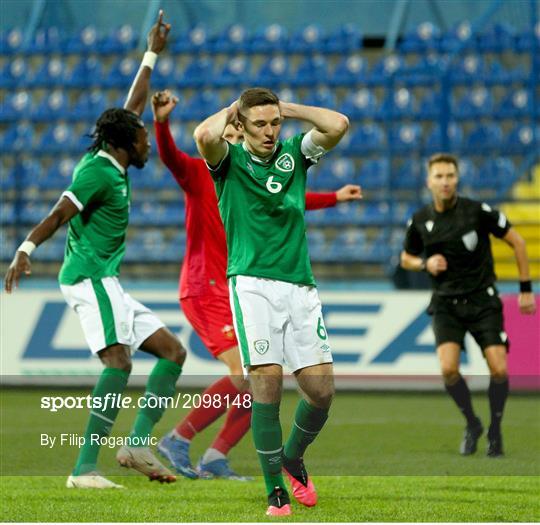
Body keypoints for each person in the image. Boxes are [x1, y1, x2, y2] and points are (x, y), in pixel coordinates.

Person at [4, 11, 184, 489]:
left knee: (172, 352)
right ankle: (83, 468)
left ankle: (138, 444)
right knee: (119, 363)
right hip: (88, 277)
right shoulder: (96, 172)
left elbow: (133, 103)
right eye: (143, 136)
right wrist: (26, 247)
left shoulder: (115, 154)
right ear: (127, 144)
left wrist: (151, 54)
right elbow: (61, 211)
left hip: (107, 278)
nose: (148, 139)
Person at [151, 90, 361, 482]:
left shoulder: (259, 167)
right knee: (247, 374)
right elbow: (172, 157)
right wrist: (163, 123)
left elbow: (284, 198)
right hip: (205, 285)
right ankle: (179, 438)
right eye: (236, 131)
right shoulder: (206, 170)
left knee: (261, 377)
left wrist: (333, 197)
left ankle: (216, 455)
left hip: (242, 284)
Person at [194, 87, 349, 516]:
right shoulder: (228, 161)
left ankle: (293, 457)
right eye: (259, 124)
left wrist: (290, 110)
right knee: (266, 382)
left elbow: (338, 125)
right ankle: (274, 490)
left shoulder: (296, 153)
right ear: (240, 126)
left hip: (300, 285)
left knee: (321, 391)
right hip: (252, 285)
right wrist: (231, 110)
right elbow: (202, 135)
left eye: (274, 122)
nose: (269, 131)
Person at [400, 152, 536, 458]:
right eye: (439, 176)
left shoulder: (477, 212)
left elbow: (518, 242)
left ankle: (496, 431)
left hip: (482, 300)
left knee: (499, 369)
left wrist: (525, 289)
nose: (445, 182)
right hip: (446, 304)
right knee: (448, 370)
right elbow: (405, 258)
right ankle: (473, 423)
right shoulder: (420, 220)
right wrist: (425, 263)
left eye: (450, 176)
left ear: (457, 178)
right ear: (429, 181)